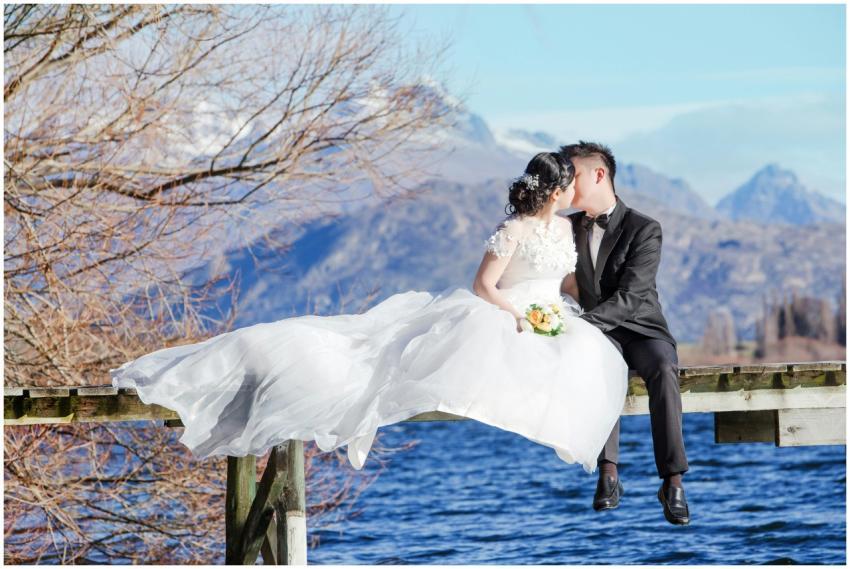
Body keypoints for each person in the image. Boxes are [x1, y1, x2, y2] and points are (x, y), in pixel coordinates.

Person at [110, 151, 629, 480]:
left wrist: (571, 308)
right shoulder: (511, 230)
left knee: (588, 359)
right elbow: (483, 286)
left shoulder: (567, 230)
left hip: (551, 314)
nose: (574, 193)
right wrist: (516, 314)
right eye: (569, 185)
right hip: (504, 310)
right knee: (390, 360)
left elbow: (564, 280)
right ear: (554, 191)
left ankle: (595, 462)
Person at [558, 141, 690, 525]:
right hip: (599, 334)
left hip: (642, 327)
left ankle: (673, 480)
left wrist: (582, 324)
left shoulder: (645, 228)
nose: (567, 184)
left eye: (573, 175)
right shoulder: (566, 227)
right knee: (597, 364)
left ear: (599, 174)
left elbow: (632, 297)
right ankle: (608, 474)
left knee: (663, 368)